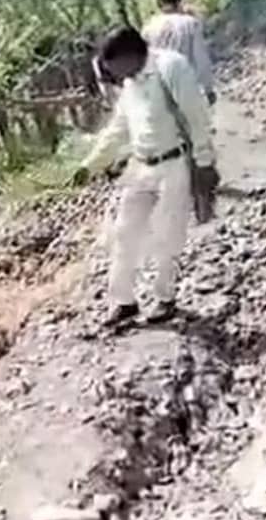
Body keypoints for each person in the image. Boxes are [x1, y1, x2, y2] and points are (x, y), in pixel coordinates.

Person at [73, 26, 217, 327]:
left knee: (168, 235)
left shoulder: (171, 67)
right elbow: (118, 128)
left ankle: (165, 298)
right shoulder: (130, 83)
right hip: (141, 166)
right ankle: (124, 302)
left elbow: (197, 116)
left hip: (174, 164)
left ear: (130, 56)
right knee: (124, 233)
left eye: (114, 68)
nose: (114, 76)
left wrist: (204, 162)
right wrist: (90, 165)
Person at [143, 0, 216, 105]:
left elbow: (146, 62)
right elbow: (200, 57)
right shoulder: (191, 24)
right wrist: (208, 88)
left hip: (162, 90)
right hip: (188, 87)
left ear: (158, 4)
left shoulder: (148, 29)